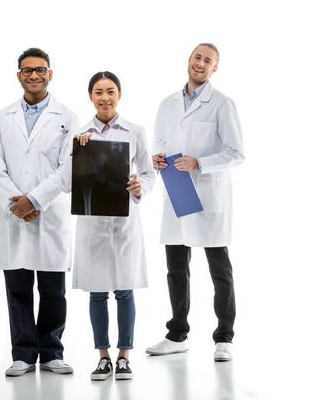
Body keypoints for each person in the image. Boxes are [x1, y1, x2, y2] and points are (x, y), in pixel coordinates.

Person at [145, 43, 245, 362]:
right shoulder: (168, 103)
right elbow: (159, 141)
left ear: (214, 69)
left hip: (207, 193)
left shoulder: (223, 104)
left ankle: (224, 337)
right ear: (188, 61)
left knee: (219, 270)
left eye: (208, 61)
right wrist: (157, 158)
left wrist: (199, 163)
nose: (200, 63)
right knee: (176, 267)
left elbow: (236, 153)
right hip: (177, 189)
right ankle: (177, 334)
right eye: (197, 57)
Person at [0, 48, 79, 377]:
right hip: (14, 213)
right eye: (27, 71)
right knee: (18, 288)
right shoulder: (2, 118)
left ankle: (53, 351)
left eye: (40, 70)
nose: (34, 76)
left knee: (53, 289)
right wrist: (17, 204)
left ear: (50, 74)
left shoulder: (67, 117)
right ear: (18, 76)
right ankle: (23, 354)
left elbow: (68, 169)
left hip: (49, 213)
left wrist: (36, 200)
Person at [64, 71, 155, 380]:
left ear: (119, 95)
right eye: (99, 92)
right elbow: (68, 178)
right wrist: (78, 151)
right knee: (97, 292)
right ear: (90, 96)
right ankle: (103, 357)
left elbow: (148, 171)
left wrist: (140, 186)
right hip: (93, 222)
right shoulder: (79, 134)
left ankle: (125, 356)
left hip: (124, 219)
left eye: (111, 91)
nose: (105, 97)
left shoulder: (135, 131)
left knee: (125, 290)